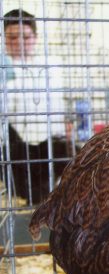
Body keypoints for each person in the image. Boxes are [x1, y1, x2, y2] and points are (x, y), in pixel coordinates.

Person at [2, 9, 74, 204]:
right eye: (12, 37)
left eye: (25, 36)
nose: (18, 42)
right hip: (17, 150)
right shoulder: (3, 69)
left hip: (50, 145)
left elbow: (61, 106)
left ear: (35, 37)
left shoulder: (51, 66)